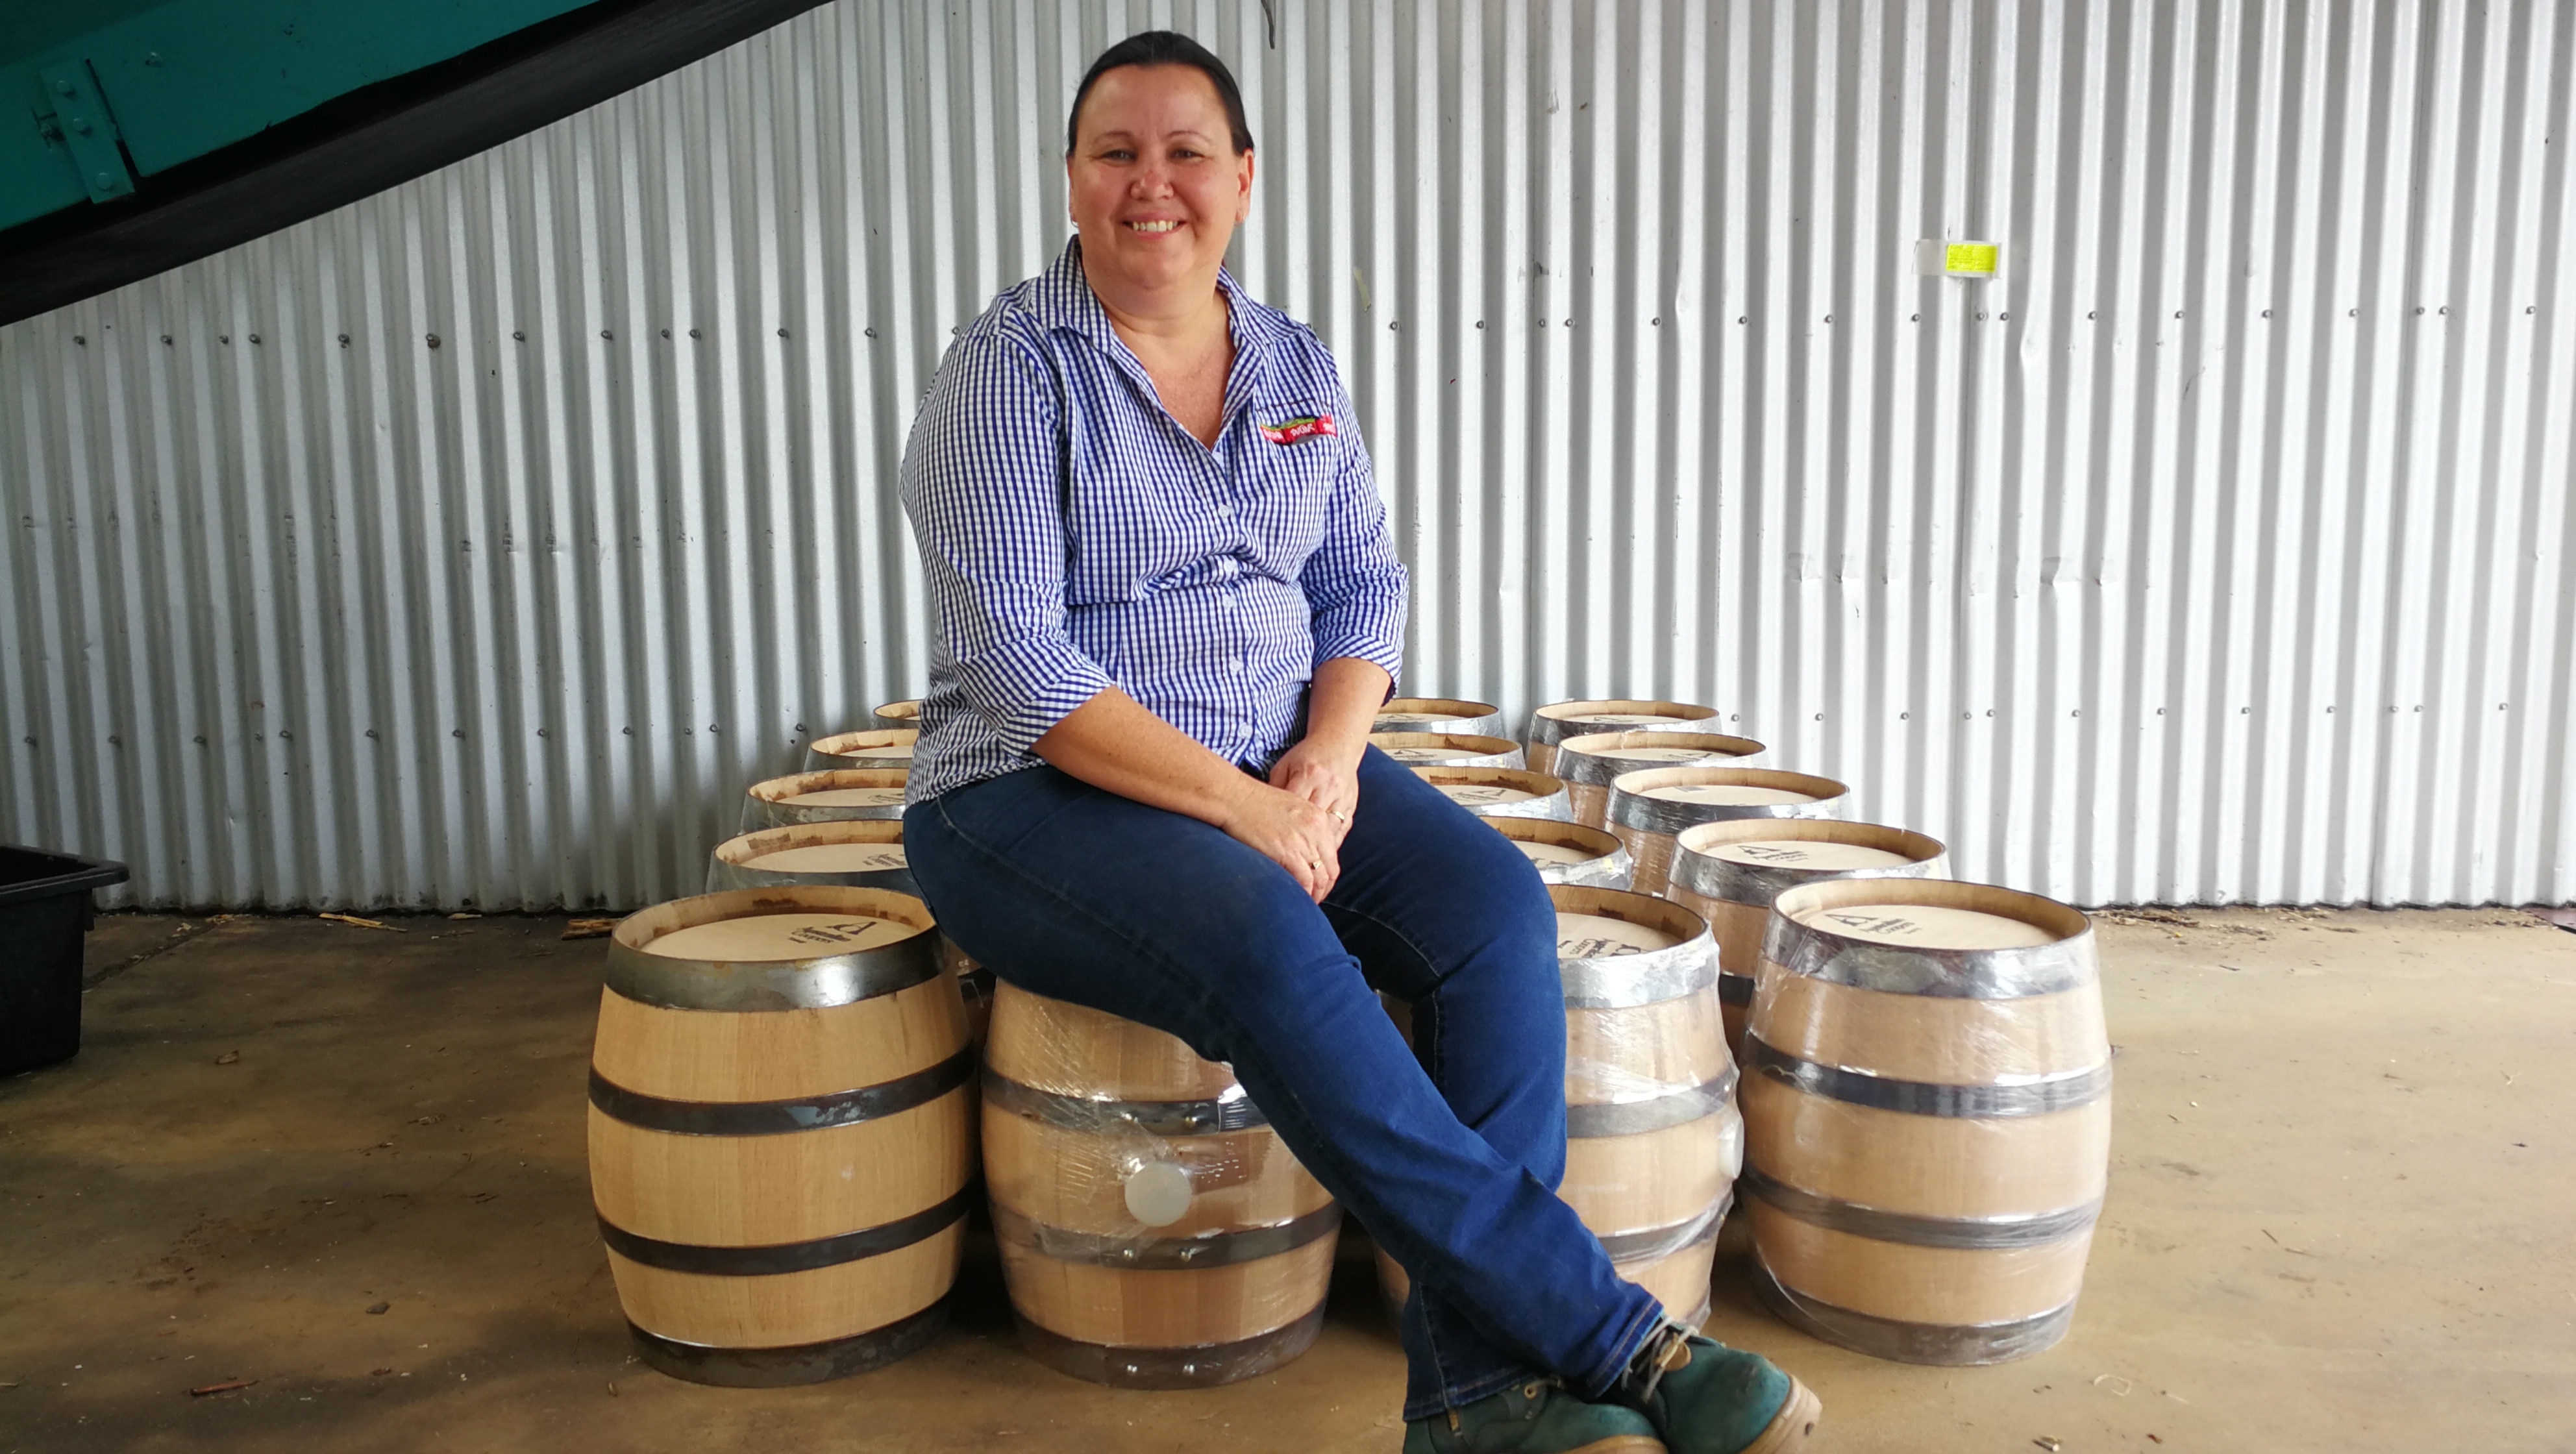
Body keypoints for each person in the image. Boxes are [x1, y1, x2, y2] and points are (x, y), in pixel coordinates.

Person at [897, 30, 1820, 1454]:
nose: (1153, 185)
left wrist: (1326, 759)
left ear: (1243, 180)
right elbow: (1021, 662)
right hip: (1029, 797)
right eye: (1116, 153)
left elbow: (1362, 585)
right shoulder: (1012, 370)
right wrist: (1247, 814)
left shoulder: (1289, 360)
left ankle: (1472, 1398)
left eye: (1185, 152)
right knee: (1269, 939)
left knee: (1487, 907)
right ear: (1071, 180)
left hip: (1271, 758)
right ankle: (1607, 1334)